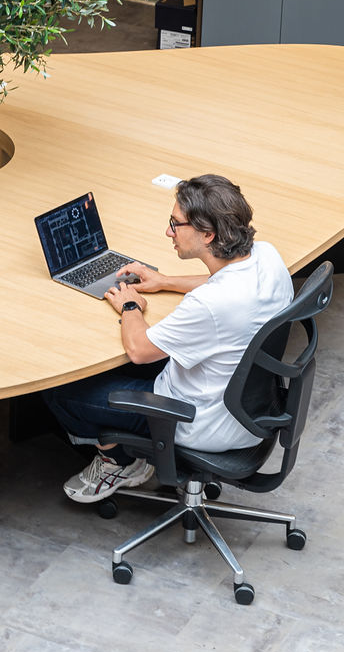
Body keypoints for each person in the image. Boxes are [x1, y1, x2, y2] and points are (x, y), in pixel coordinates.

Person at [43, 173, 293, 505]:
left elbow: (139, 350)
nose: (168, 232)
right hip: (250, 407)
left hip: (195, 421)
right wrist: (165, 281)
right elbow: (220, 283)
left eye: (176, 224)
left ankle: (120, 463)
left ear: (207, 234)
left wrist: (130, 305)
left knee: (60, 390)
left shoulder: (210, 306)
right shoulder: (267, 256)